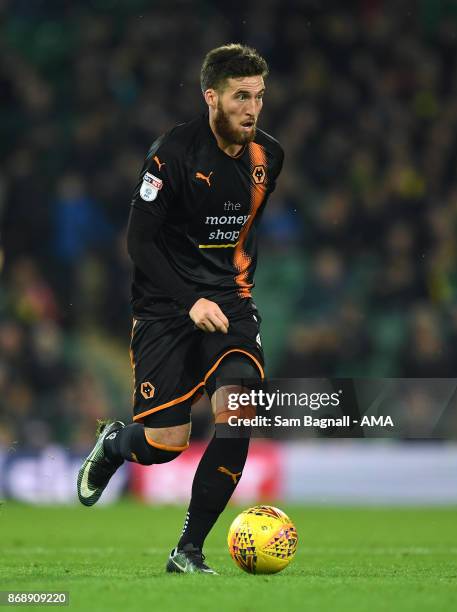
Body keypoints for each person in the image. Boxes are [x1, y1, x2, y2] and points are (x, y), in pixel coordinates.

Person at [77, 43, 284, 574]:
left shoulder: (269, 158)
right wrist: (188, 298)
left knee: (237, 415)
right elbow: (139, 243)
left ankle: (187, 550)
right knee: (165, 443)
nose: (252, 109)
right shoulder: (171, 154)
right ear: (210, 97)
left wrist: (219, 292)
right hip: (165, 309)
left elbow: (240, 235)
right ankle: (114, 444)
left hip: (231, 306)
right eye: (241, 96)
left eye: (259, 96)